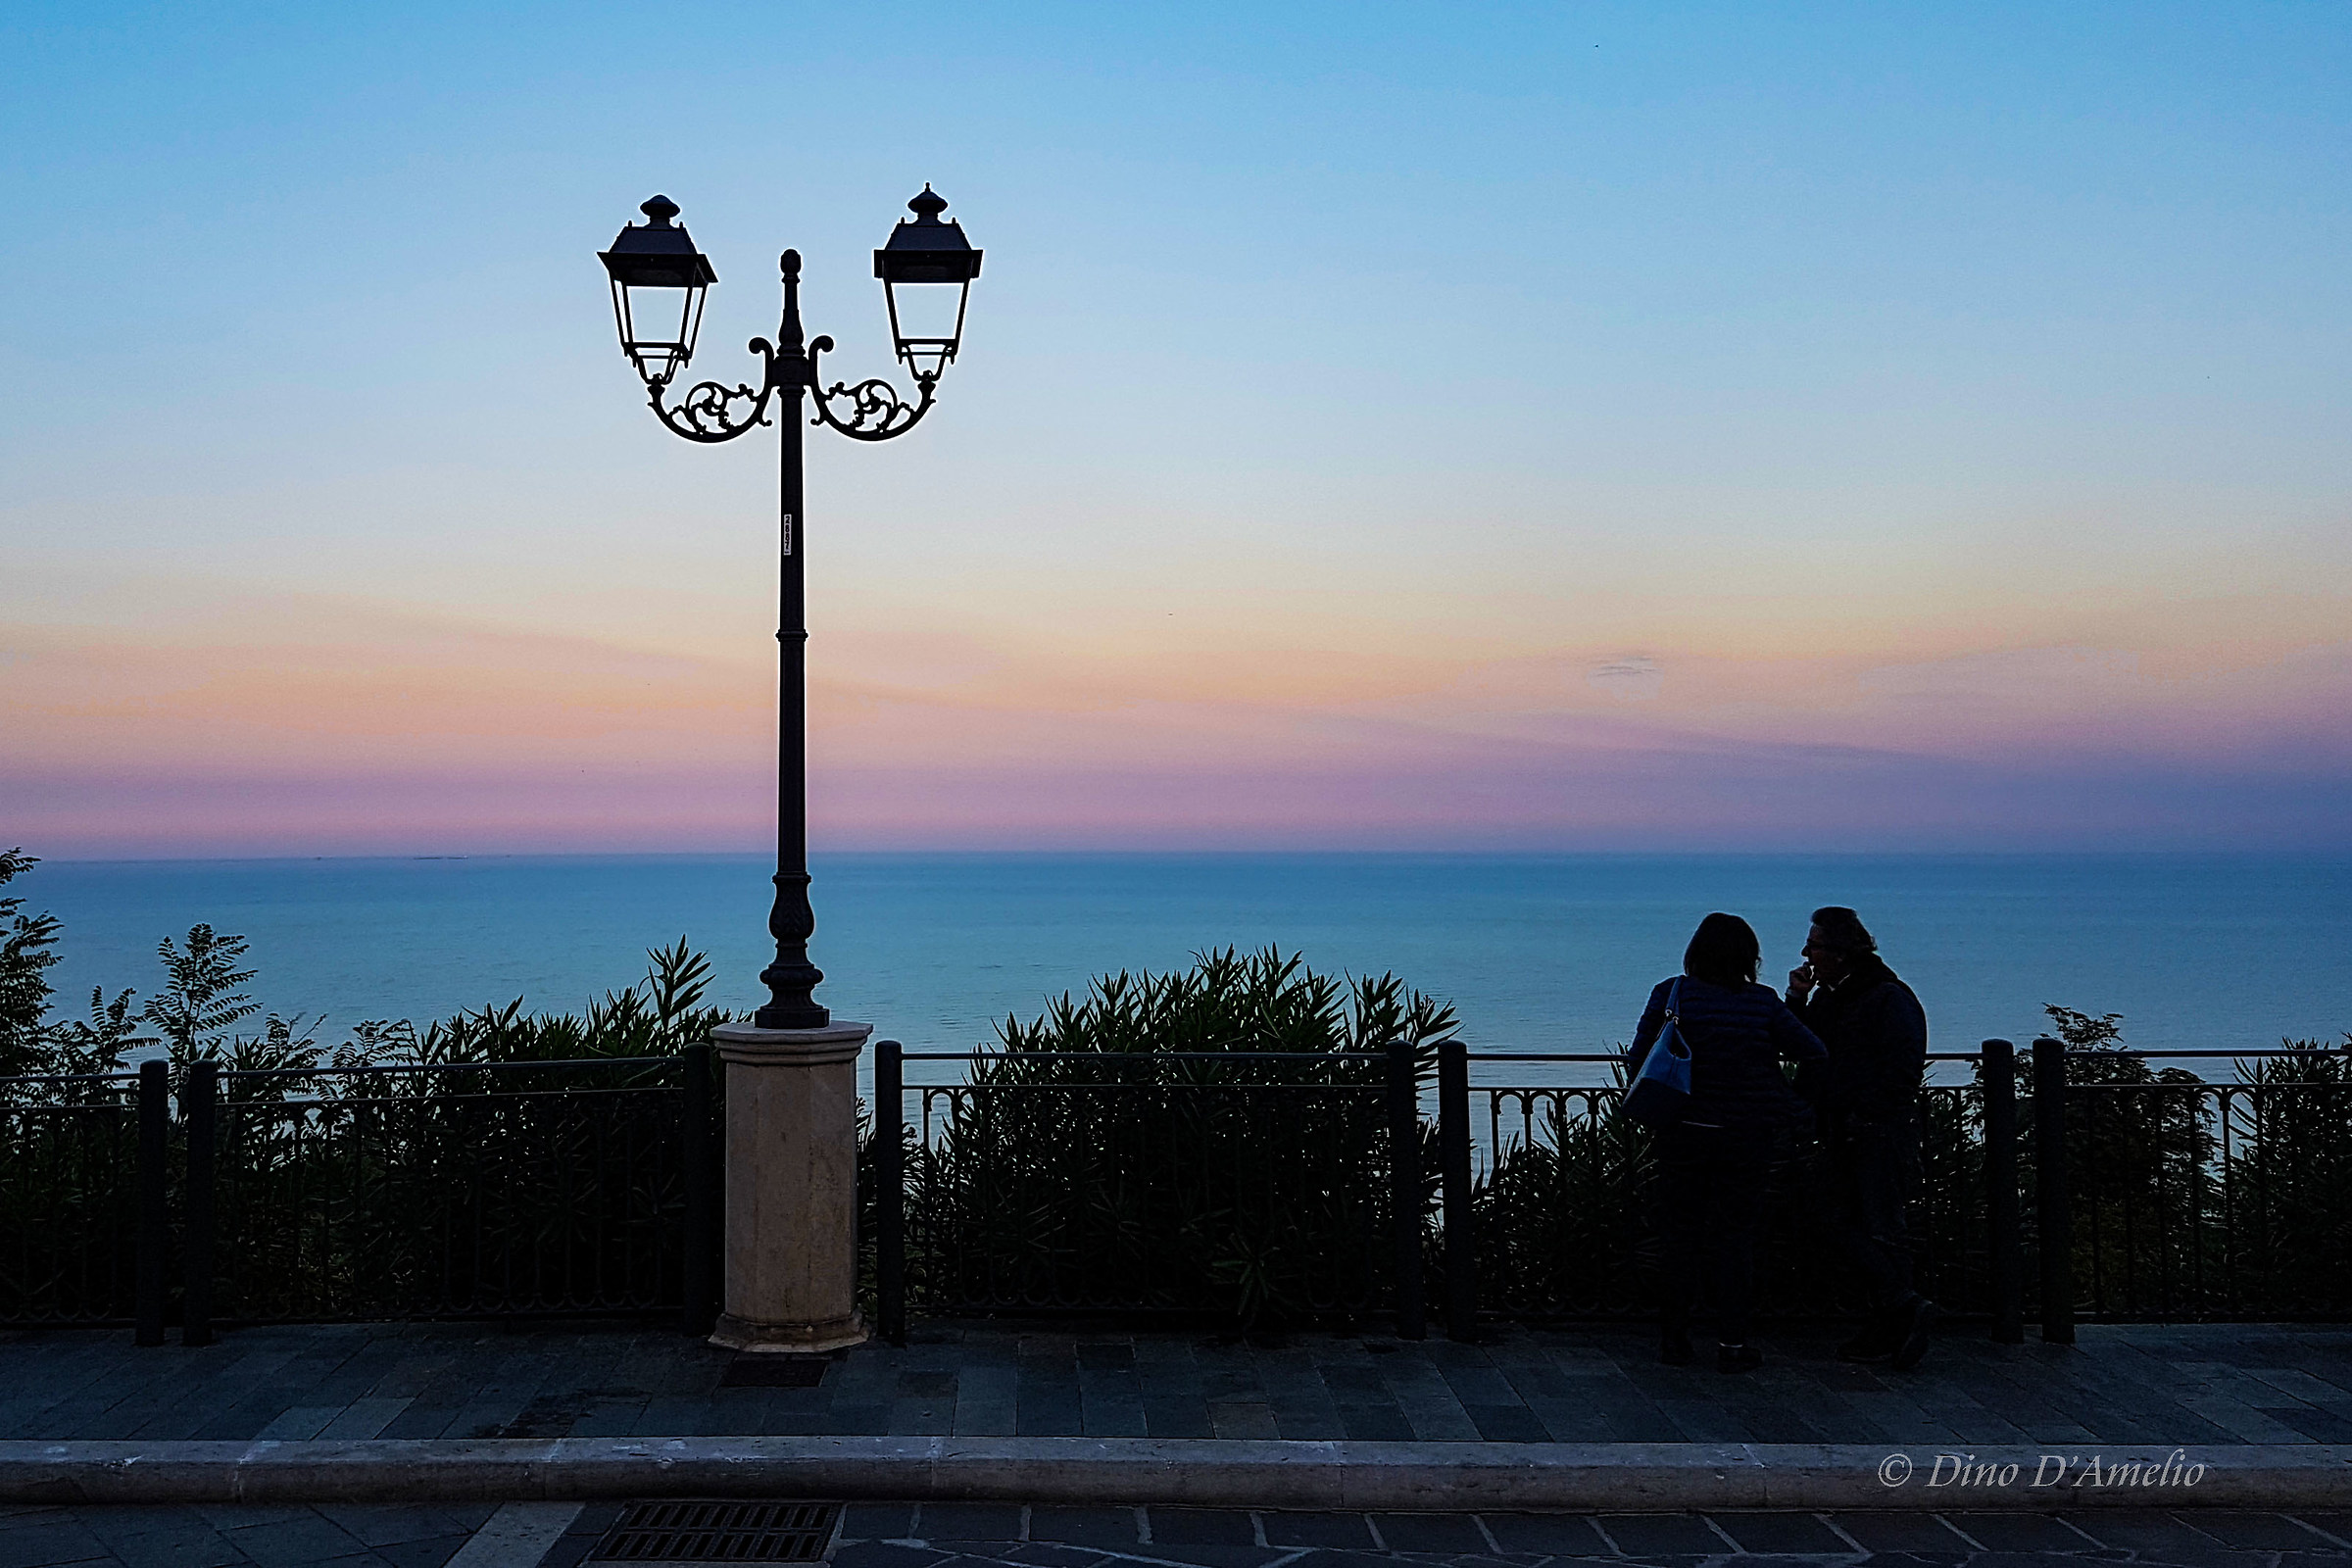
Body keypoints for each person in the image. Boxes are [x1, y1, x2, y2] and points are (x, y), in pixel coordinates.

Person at [1629, 912, 1827, 1373]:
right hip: (1747, 1136)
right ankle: (1733, 1344)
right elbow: (1813, 1050)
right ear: (1748, 958)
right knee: (1735, 1239)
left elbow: (1640, 1057)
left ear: (1696, 952)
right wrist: (1778, 1088)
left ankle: (1675, 1342)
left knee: (1679, 1236)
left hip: (1684, 1133)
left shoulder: (1672, 994)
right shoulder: (1763, 1003)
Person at [1786, 905, 1935, 1369]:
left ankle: (1896, 1316)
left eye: (1815, 945)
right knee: (1844, 1220)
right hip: (1843, 1128)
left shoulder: (1885, 996)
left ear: (1840, 953)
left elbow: (1902, 1067)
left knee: (1878, 1225)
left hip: (1873, 1132)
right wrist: (1796, 998)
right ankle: (1900, 1309)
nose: (1807, 953)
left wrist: (1866, 1115)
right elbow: (1802, 1043)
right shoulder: (1839, 994)